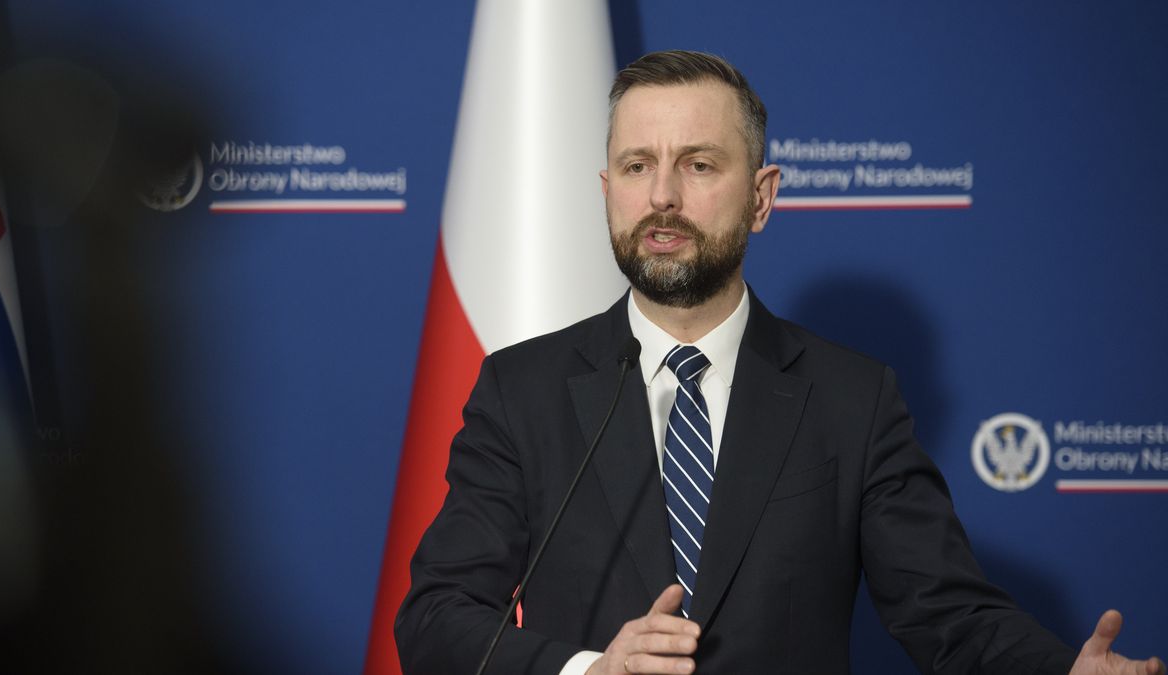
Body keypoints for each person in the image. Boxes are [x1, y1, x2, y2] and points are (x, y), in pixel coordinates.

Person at [394, 50, 1163, 675]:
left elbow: (948, 613)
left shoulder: (852, 398)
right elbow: (436, 619)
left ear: (762, 196)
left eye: (698, 165)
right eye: (636, 166)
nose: (661, 195)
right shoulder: (522, 389)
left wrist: (1061, 672)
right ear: (606, 191)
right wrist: (587, 670)